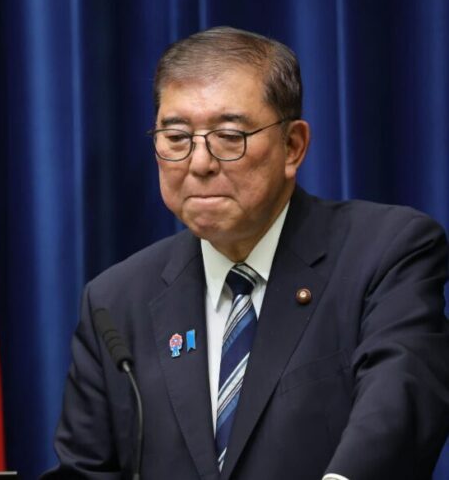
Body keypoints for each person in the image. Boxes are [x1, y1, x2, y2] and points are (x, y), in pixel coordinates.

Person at [42, 26, 449, 480]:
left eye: (229, 136)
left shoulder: (384, 252)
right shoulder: (116, 301)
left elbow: (399, 409)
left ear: (292, 146)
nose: (199, 163)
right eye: (176, 137)